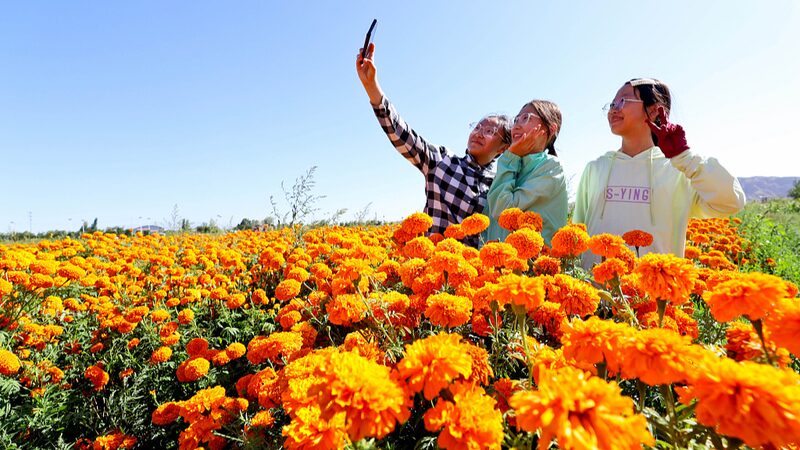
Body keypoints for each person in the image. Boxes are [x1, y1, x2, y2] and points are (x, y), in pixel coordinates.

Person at [573, 78, 746, 267]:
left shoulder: (678, 169)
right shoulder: (596, 168)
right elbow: (577, 231)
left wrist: (685, 158)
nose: (614, 109)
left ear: (654, 110)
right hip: (594, 292)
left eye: (623, 101)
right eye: (612, 103)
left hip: (655, 293)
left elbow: (732, 202)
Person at [356, 43, 510, 246]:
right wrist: (372, 87)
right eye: (478, 127)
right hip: (434, 270)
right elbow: (403, 135)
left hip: (476, 274)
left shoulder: (500, 183)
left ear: (502, 148)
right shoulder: (442, 162)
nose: (479, 133)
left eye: (490, 131)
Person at [483, 100, 568, 245]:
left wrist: (510, 157)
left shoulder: (550, 166)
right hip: (498, 263)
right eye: (516, 119)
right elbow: (488, 225)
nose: (516, 125)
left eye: (526, 118)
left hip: (531, 265)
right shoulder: (512, 164)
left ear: (551, 129)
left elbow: (504, 211)